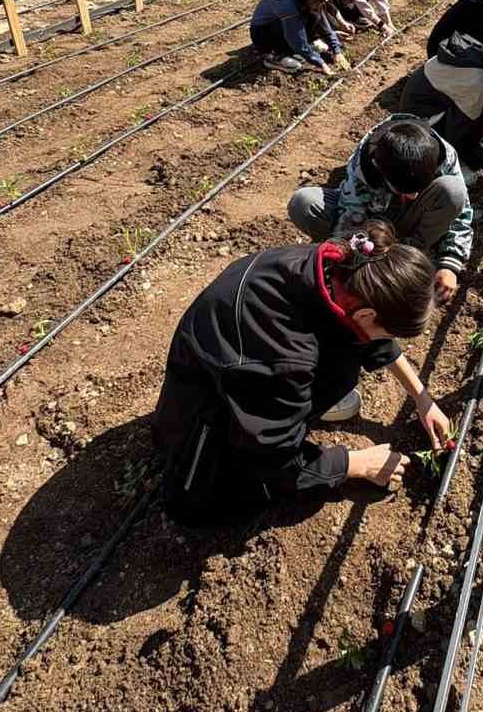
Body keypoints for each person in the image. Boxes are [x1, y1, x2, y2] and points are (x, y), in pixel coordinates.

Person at [153, 221, 448, 520]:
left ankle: (291, 414)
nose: (386, 340)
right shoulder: (286, 360)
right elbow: (275, 462)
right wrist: (356, 463)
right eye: (389, 332)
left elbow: (372, 335)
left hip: (237, 369)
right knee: (198, 506)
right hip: (203, 419)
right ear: (367, 314)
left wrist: (422, 398)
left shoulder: (341, 267)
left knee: (348, 352)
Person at [289, 114, 472, 305]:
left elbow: (461, 214)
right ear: (379, 169)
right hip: (372, 220)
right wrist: (351, 265)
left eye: (418, 189)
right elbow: (351, 217)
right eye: (404, 190)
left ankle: (413, 254)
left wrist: (450, 263)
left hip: (413, 219)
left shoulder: (443, 154)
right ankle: (381, 260)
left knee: (453, 191)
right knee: (304, 202)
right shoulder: (365, 164)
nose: (413, 196)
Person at [400, 20, 483, 177]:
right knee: (466, 170)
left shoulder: (475, 49)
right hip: (418, 127)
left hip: (422, 104)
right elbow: (456, 136)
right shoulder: (478, 82)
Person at [250, 0, 351, 76]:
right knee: (295, 65)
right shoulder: (287, 4)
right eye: (320, 0)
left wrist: (336, 50)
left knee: (314, 15)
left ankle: (296, 50)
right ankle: (274, 56)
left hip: (283, 28)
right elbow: (296, 39)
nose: (323, 2)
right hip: (264, 34)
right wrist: (321, 63)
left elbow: (323, 24)